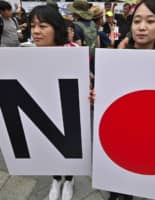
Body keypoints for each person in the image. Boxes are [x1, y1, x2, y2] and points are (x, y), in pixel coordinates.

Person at [109, 0, 155, 199]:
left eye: (150, 21)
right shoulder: (117, 59)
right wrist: (96, 97)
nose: (142, 27)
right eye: (137, 21)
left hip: (149, 134)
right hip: (120, 132)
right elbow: (108, 96)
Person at [29, 5, 74, 200]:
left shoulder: (73, 52)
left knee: (71, 147)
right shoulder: (26, 55)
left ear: (56, 28)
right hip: (43, 111)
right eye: (33, 25)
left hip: (68, 111)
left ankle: (70, 179)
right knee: (51, 147)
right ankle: (56, 179)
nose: (36, 31)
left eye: (43, 26)